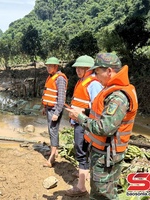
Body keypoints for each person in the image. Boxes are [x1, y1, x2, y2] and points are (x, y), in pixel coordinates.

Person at [66, 53, 138, 199]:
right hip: (102, 153)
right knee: (101, 192)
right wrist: (85, 111)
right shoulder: (111, 89)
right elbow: (101, 113)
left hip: (107, 156)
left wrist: (80, 118)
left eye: (97, 72)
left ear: (109, 71)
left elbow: (105, 127)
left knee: (102, 195)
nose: (96, 77)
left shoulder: (118, 97)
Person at [65, 55, 103, 197]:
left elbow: (98, 108)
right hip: (79, 122)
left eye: (82, 68)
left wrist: (82, 112)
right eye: (77, 68)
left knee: (81, 151)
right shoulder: (82, 82)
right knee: (82, 151)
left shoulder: (93, 84)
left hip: (85, 124)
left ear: (89, 69)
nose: (78, 70)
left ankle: (81, 187)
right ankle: (84, 173)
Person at [42, 57, 68, 167]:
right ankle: (54, 151)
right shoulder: (51, 77)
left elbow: (61, 99)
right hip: (49, 108)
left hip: (54, 109)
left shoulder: (60, 79)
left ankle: (52, 158)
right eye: (47, 66)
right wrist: (44, 107)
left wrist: (57, 113)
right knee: (51, 129)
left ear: (56, 67)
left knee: (53, 130)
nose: (48, 68)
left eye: (50, 66)